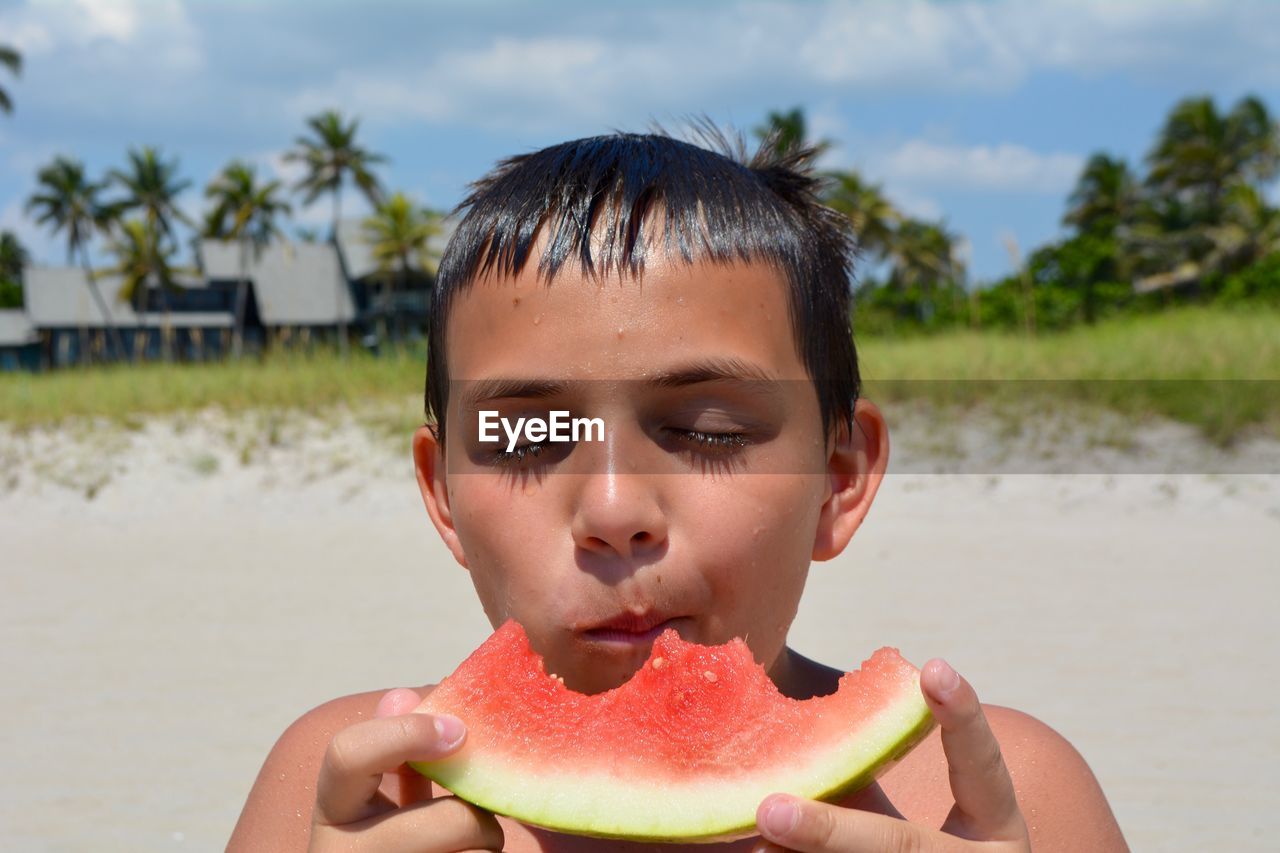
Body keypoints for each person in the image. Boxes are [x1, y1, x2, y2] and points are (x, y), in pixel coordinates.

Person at [228, 129, 1128, 852]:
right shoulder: (344, 796)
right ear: (443, 493)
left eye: (709, 430)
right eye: (530, 435)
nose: (615, 510)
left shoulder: (1009, 798)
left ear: (838, 479)